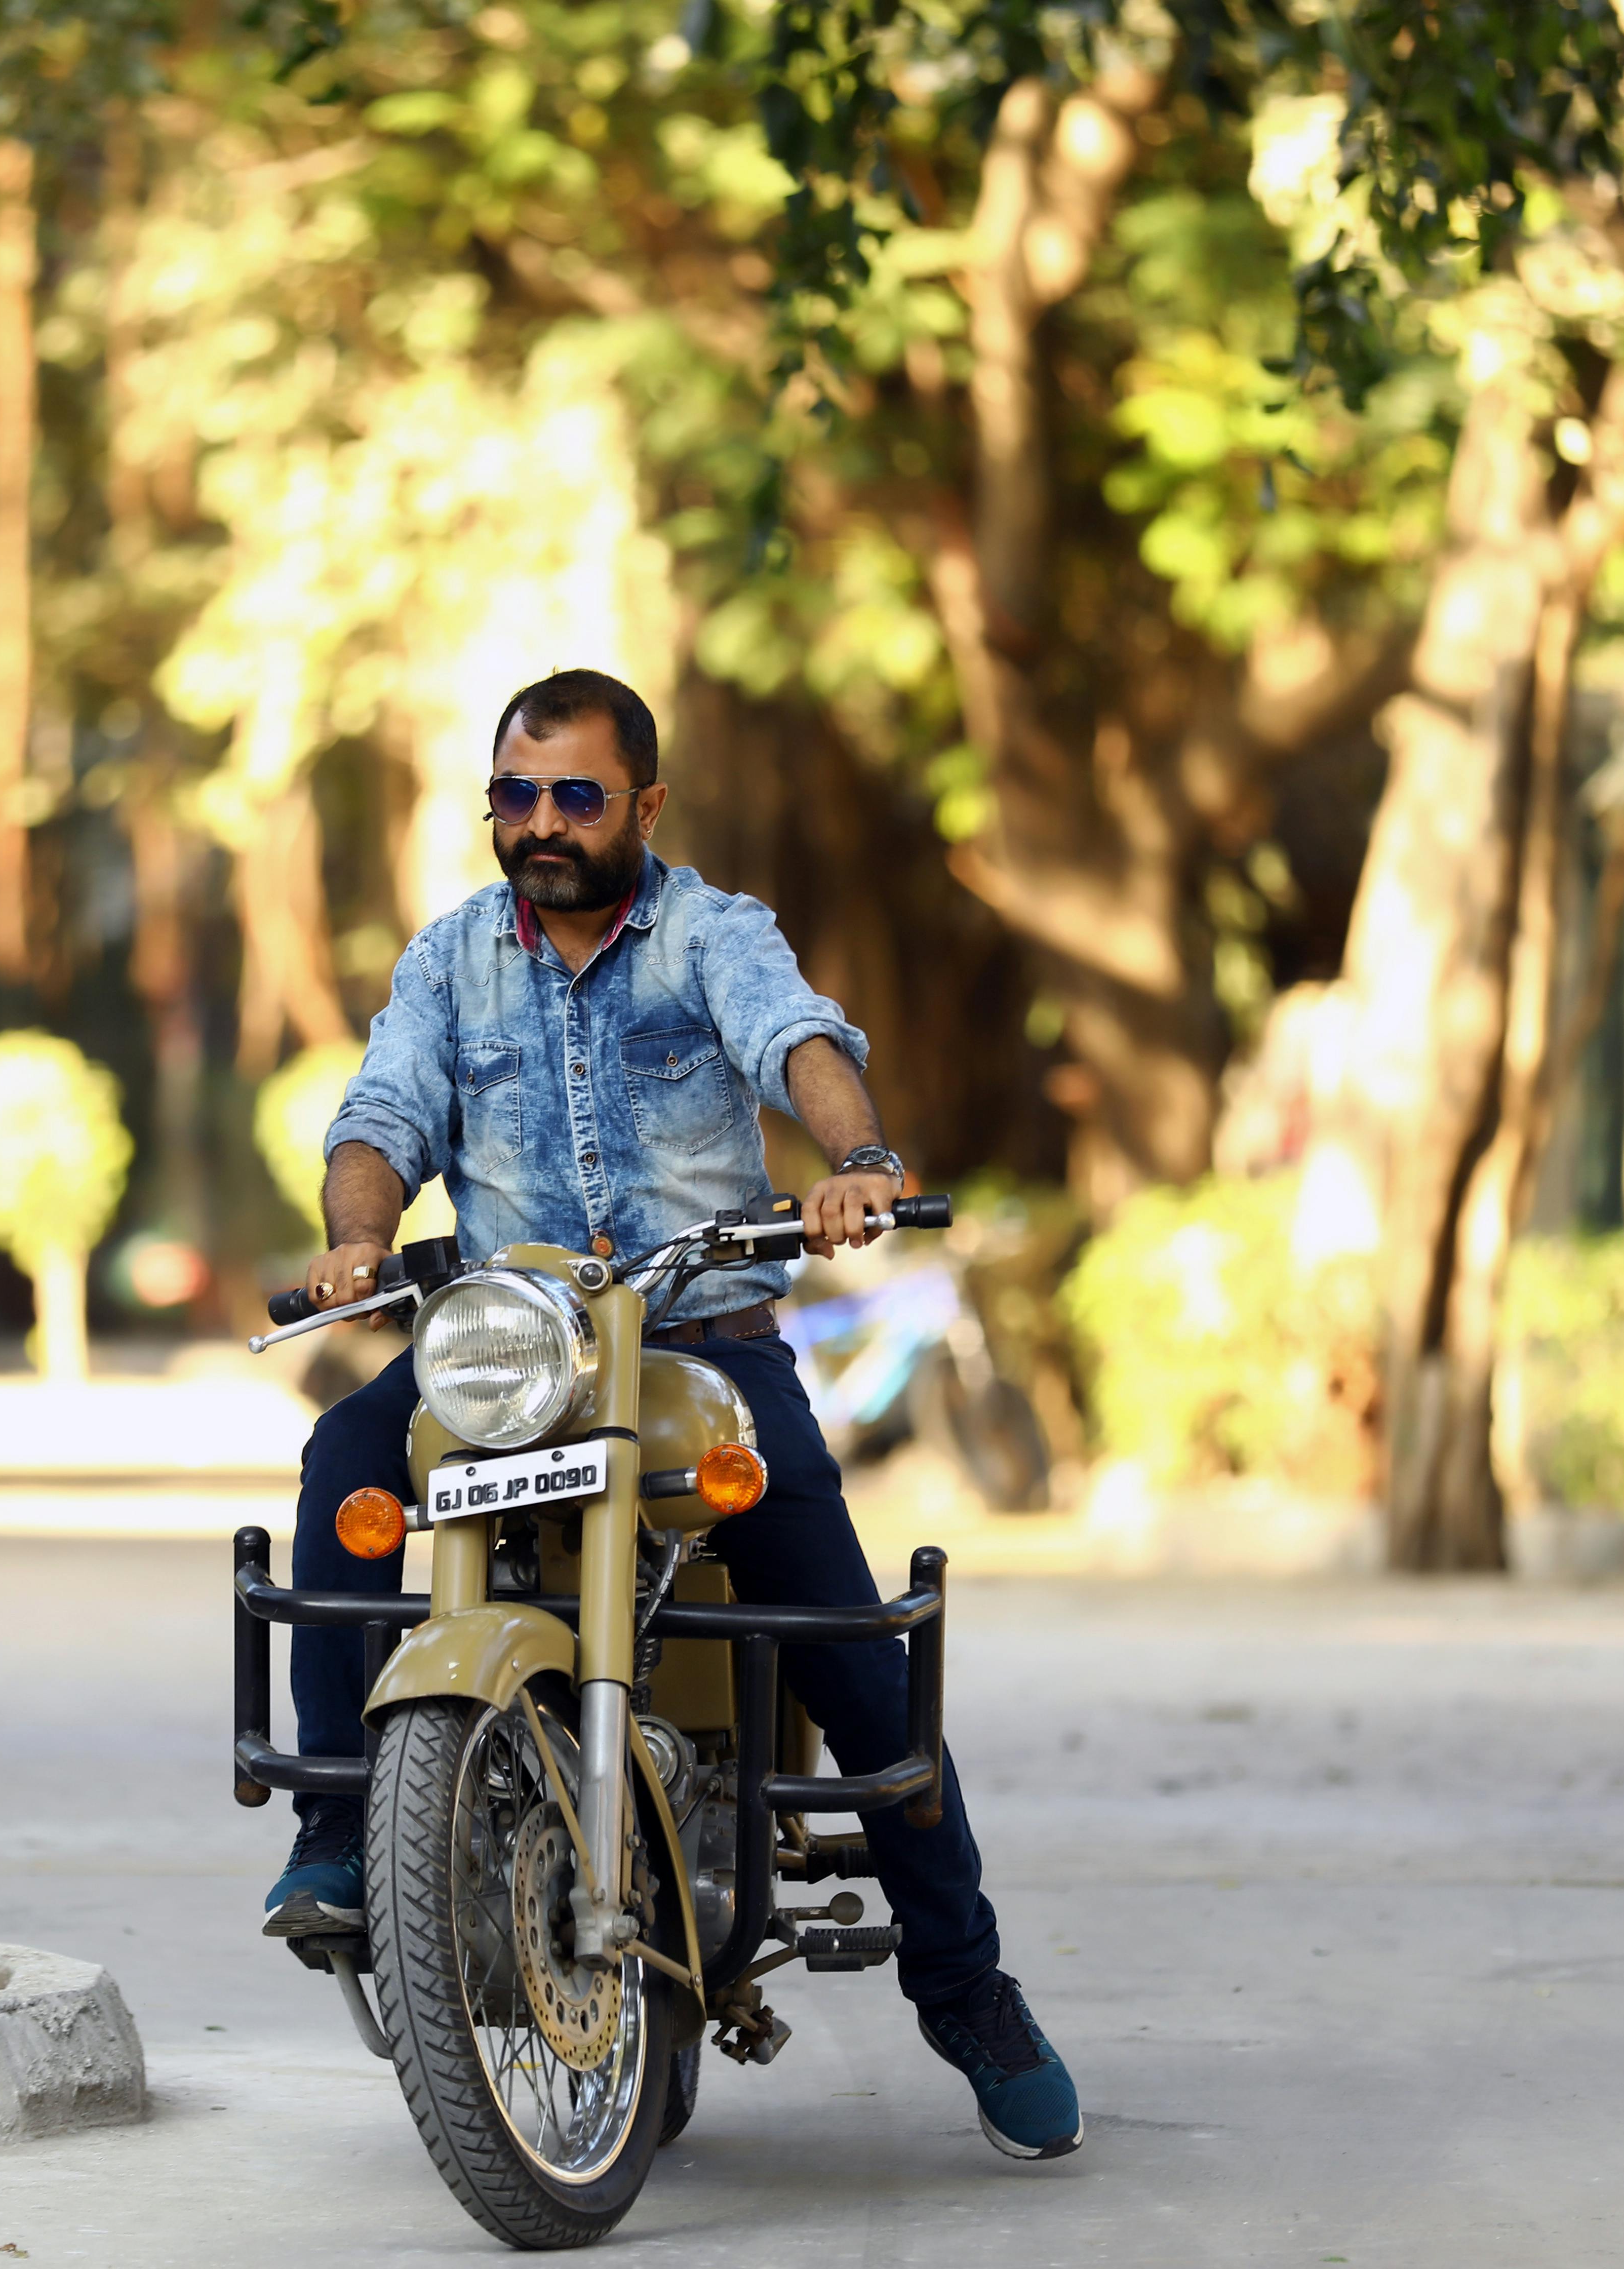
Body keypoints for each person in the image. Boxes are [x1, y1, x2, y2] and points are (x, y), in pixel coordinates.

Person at [262, 668, 1080, 2161]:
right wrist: (359, 1234)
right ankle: (336, 1834)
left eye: (577, 796)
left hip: (702, 1344)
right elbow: (379, 1117)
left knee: (851, 1663)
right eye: (515, 796)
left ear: (642, 804)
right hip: (519, 1348)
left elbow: (795, 1041)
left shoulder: (712, 933)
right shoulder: (452, 959)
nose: (543, 825)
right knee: (342, 1459)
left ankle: (966, 1986)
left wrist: (858, 1161)